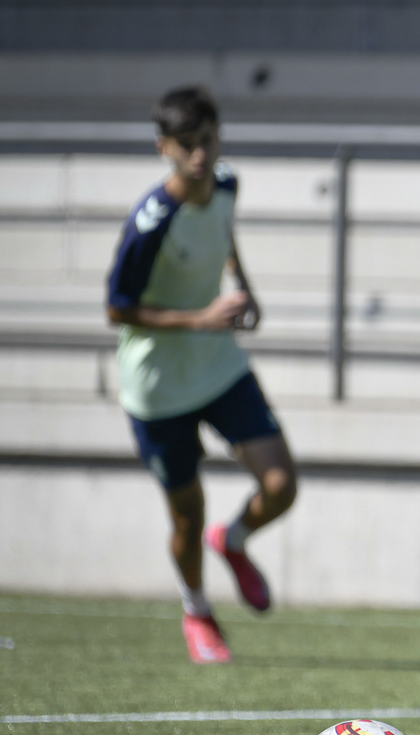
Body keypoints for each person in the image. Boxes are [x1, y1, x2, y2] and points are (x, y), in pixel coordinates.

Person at [106, 85, 298, 664]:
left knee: (281, 485)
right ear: (163, 147)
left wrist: (244, 287)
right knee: (187, 517)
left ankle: (232, 541)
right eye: (186, 144)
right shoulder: (151, 222)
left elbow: (225, 231)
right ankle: (197, 611)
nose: (199, 154)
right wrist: (201, 317)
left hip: (218, 366)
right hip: (160, 385)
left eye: (207, 140)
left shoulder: (228, 183)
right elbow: (118, 308)